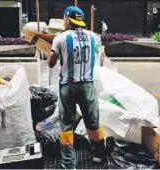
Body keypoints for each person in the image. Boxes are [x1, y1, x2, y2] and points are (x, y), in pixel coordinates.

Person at [47, 6, 106, 169]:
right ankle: (99, 155)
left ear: (67, 20)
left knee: (66, 125)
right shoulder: (94, 37)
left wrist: (54, 54)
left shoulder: (60, 38)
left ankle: (69, 163)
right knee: (92, 122)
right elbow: (93, 54)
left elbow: (51, 63)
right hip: (87, 86)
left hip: (68, 86)